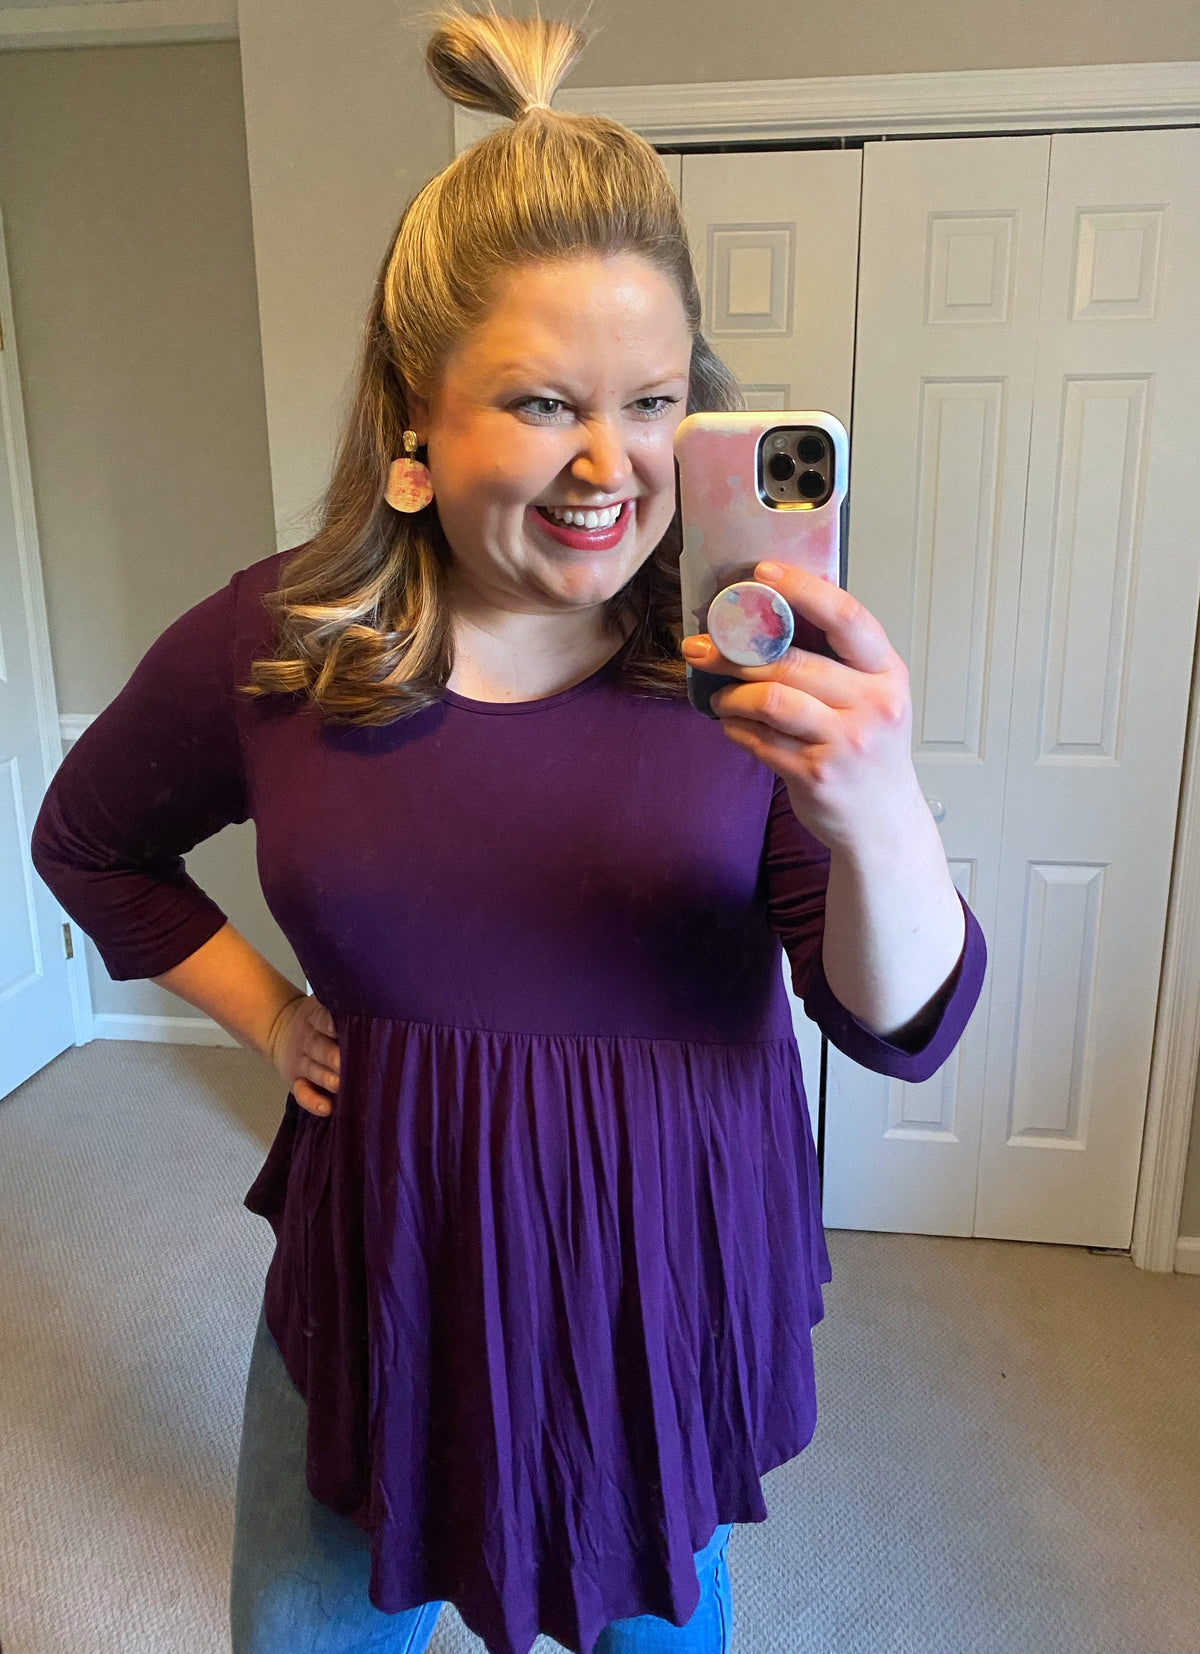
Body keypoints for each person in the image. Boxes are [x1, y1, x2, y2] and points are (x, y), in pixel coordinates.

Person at [30, 10, 985, 1654]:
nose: (611, 465)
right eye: (546, 403)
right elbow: (89, 841)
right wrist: (267, 1012)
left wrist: (879, 808)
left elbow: (897, 1023)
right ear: (418, 407)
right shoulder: (280, 644)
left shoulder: (752, 658)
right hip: (387, 1269)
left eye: (653, 400)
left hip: (659, 1277)